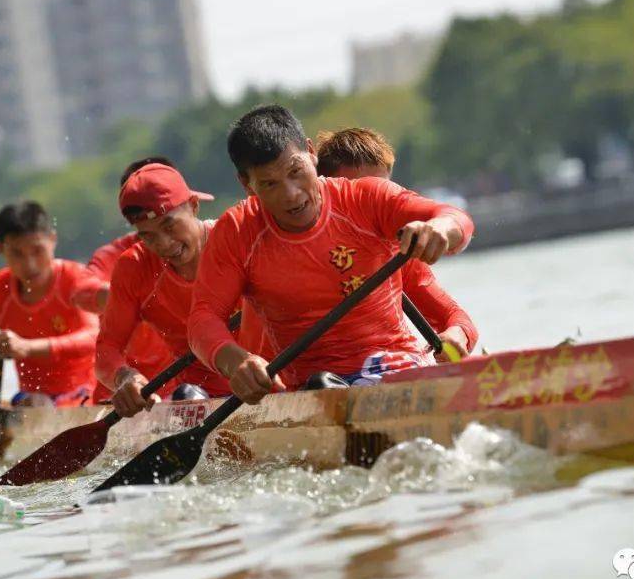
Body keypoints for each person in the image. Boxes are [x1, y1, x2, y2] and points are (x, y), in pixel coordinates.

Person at [188, 104, 474, 405]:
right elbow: (202, 319)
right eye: (270, 184)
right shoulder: (237, 231)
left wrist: (442, 228)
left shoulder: (367, 198)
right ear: (247, 184)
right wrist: (236, 362)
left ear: (311, 153)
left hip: (395, 369)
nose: (292, 195)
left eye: (296, 172)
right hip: (312, 389)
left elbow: (456, 216)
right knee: (321, 385)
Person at [98, 162, 260, 417]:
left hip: (267, 378)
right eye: (148, 236)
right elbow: (107, 349)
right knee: (187, 397)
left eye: (169, 226)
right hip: (200, 398)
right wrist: (124, 377)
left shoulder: (235, 237)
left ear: (194, 205)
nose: (163, 244)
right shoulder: (134, 268)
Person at [315, 127, 478, 357]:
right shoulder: (292, 249)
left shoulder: (396, 253)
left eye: (384, 192)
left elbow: (455, 318)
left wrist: (456, 335)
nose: (375, 202)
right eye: (360, 194)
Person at [0, 201, 99, 407]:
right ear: (0, 249)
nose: (29, 265)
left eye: (37, 251)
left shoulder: (76, 279)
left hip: (91, 393)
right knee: (37, 404)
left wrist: (28, 348)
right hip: (34, 401)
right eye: (17, 253)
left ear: (52, 240)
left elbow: (94, 337)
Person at [72, 158, 180, 402]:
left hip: (187, 388)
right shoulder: (116, 256)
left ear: (189, 203)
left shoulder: (215, 242)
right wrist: (123, 297)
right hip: (125, 393)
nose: (164, 243)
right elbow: (80, 292)